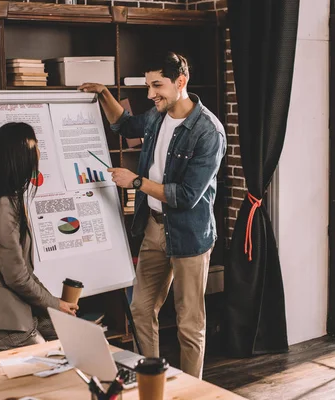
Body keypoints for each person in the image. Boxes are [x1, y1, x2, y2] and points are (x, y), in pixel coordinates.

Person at [79, 52, 226, 378]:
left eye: (156, 85)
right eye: (147, 86)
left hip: (189, 235)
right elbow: (126, 125)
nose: (150, 94)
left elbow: (186, 196)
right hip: (154, 229)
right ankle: (153, 380)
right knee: (141, 310)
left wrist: (137, 182)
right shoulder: (159, 115)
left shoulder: (208, 132)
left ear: (181, 81)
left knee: (189, 323)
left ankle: (190, 392)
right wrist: (104, 93)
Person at [0, 122, 79, 351]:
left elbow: (24, 271)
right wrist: (55, 304)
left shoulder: (10, 197)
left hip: (15, 304)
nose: (38, 153)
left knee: (72, 332)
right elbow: (16, 276)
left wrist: (56, 305)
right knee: (49, 354)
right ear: (19, 156)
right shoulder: (3, 204)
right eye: (34, 146)